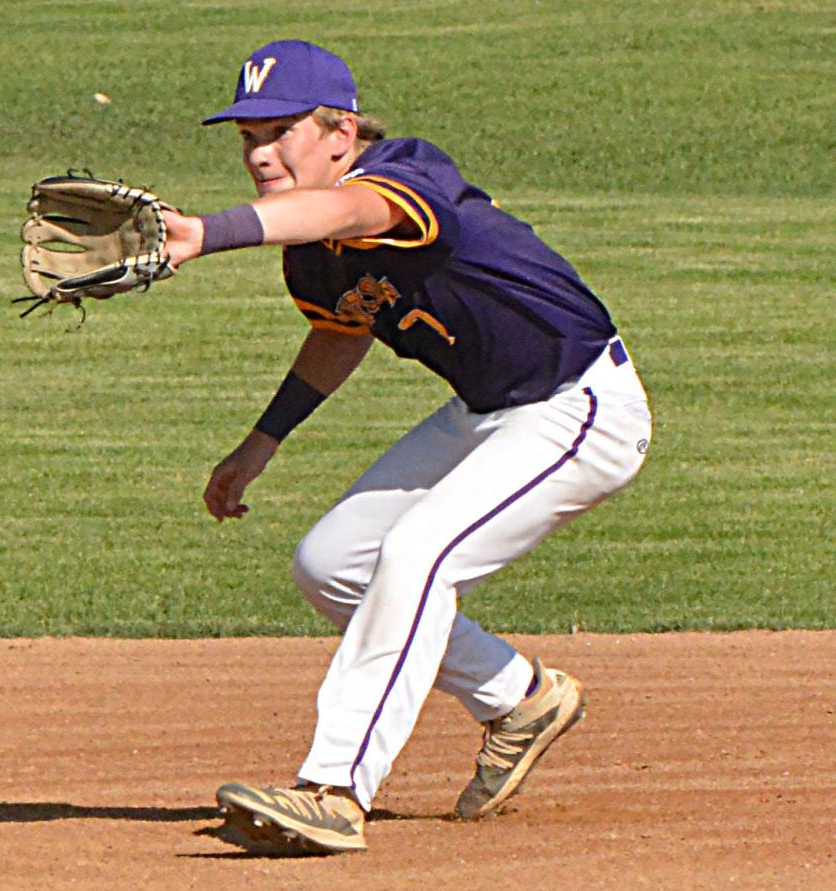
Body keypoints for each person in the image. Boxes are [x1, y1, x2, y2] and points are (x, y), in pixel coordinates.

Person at [163, 39, 652, 855]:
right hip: (487, 412)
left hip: (581, 406)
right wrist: (260, 443)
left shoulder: (406, 173)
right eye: (248, 136)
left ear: (340, 132)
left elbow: (353, 214)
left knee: (418, 552)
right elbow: (339, 332)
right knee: (331, 562)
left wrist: (206, 234)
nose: (259, 152)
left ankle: (334, 789)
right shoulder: (307, 260)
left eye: (279, 130)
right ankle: (518, 696)